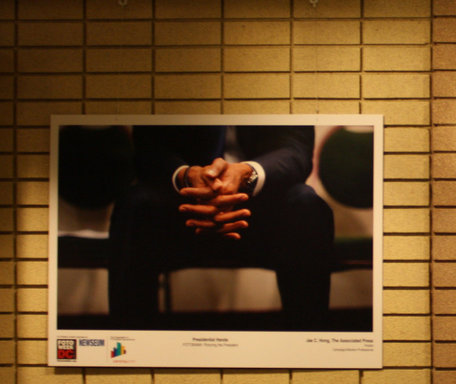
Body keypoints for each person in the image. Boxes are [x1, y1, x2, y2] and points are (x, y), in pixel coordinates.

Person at [108, 125, 335, 330]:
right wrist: (187, 176)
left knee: (307, 204)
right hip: (180, 209)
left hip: (263, 211)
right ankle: (130, 348)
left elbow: (296, 150)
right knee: (135, 204)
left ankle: (309, 343)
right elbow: (149, 149)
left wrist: (249, 174)